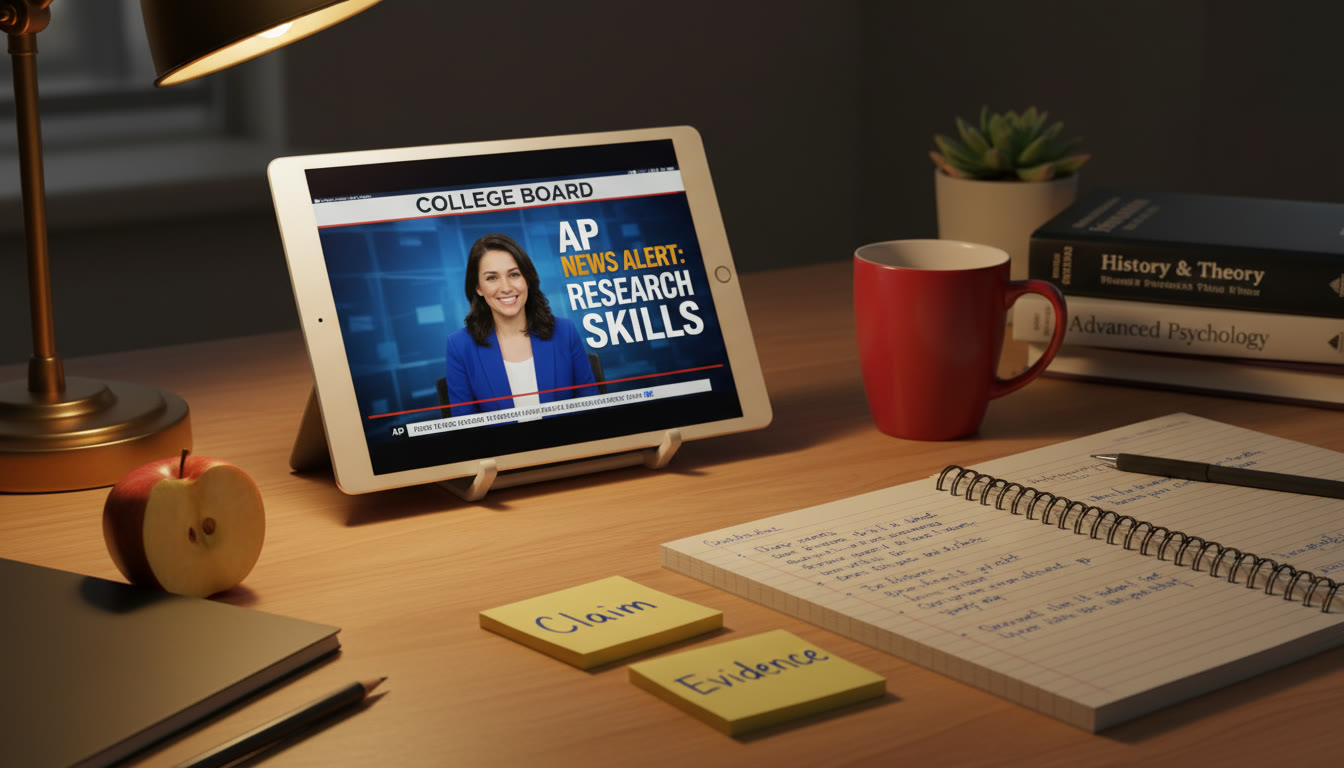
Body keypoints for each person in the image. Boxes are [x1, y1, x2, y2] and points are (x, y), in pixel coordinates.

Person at [444, 233, 599, 419]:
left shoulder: (565, 332)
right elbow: (466, 426)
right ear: (478, 288)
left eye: (514, 274)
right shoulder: (459, 346)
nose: (506, 287)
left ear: (527, 279)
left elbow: (591, 409)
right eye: (492, 278)